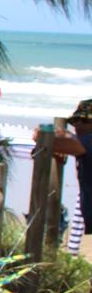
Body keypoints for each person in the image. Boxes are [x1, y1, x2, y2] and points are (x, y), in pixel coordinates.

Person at [53, 99, 91, 237]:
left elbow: (59, 141)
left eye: (84, 121)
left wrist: (45, 136)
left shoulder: (88, 140)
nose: (77, 125)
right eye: (75, 121)